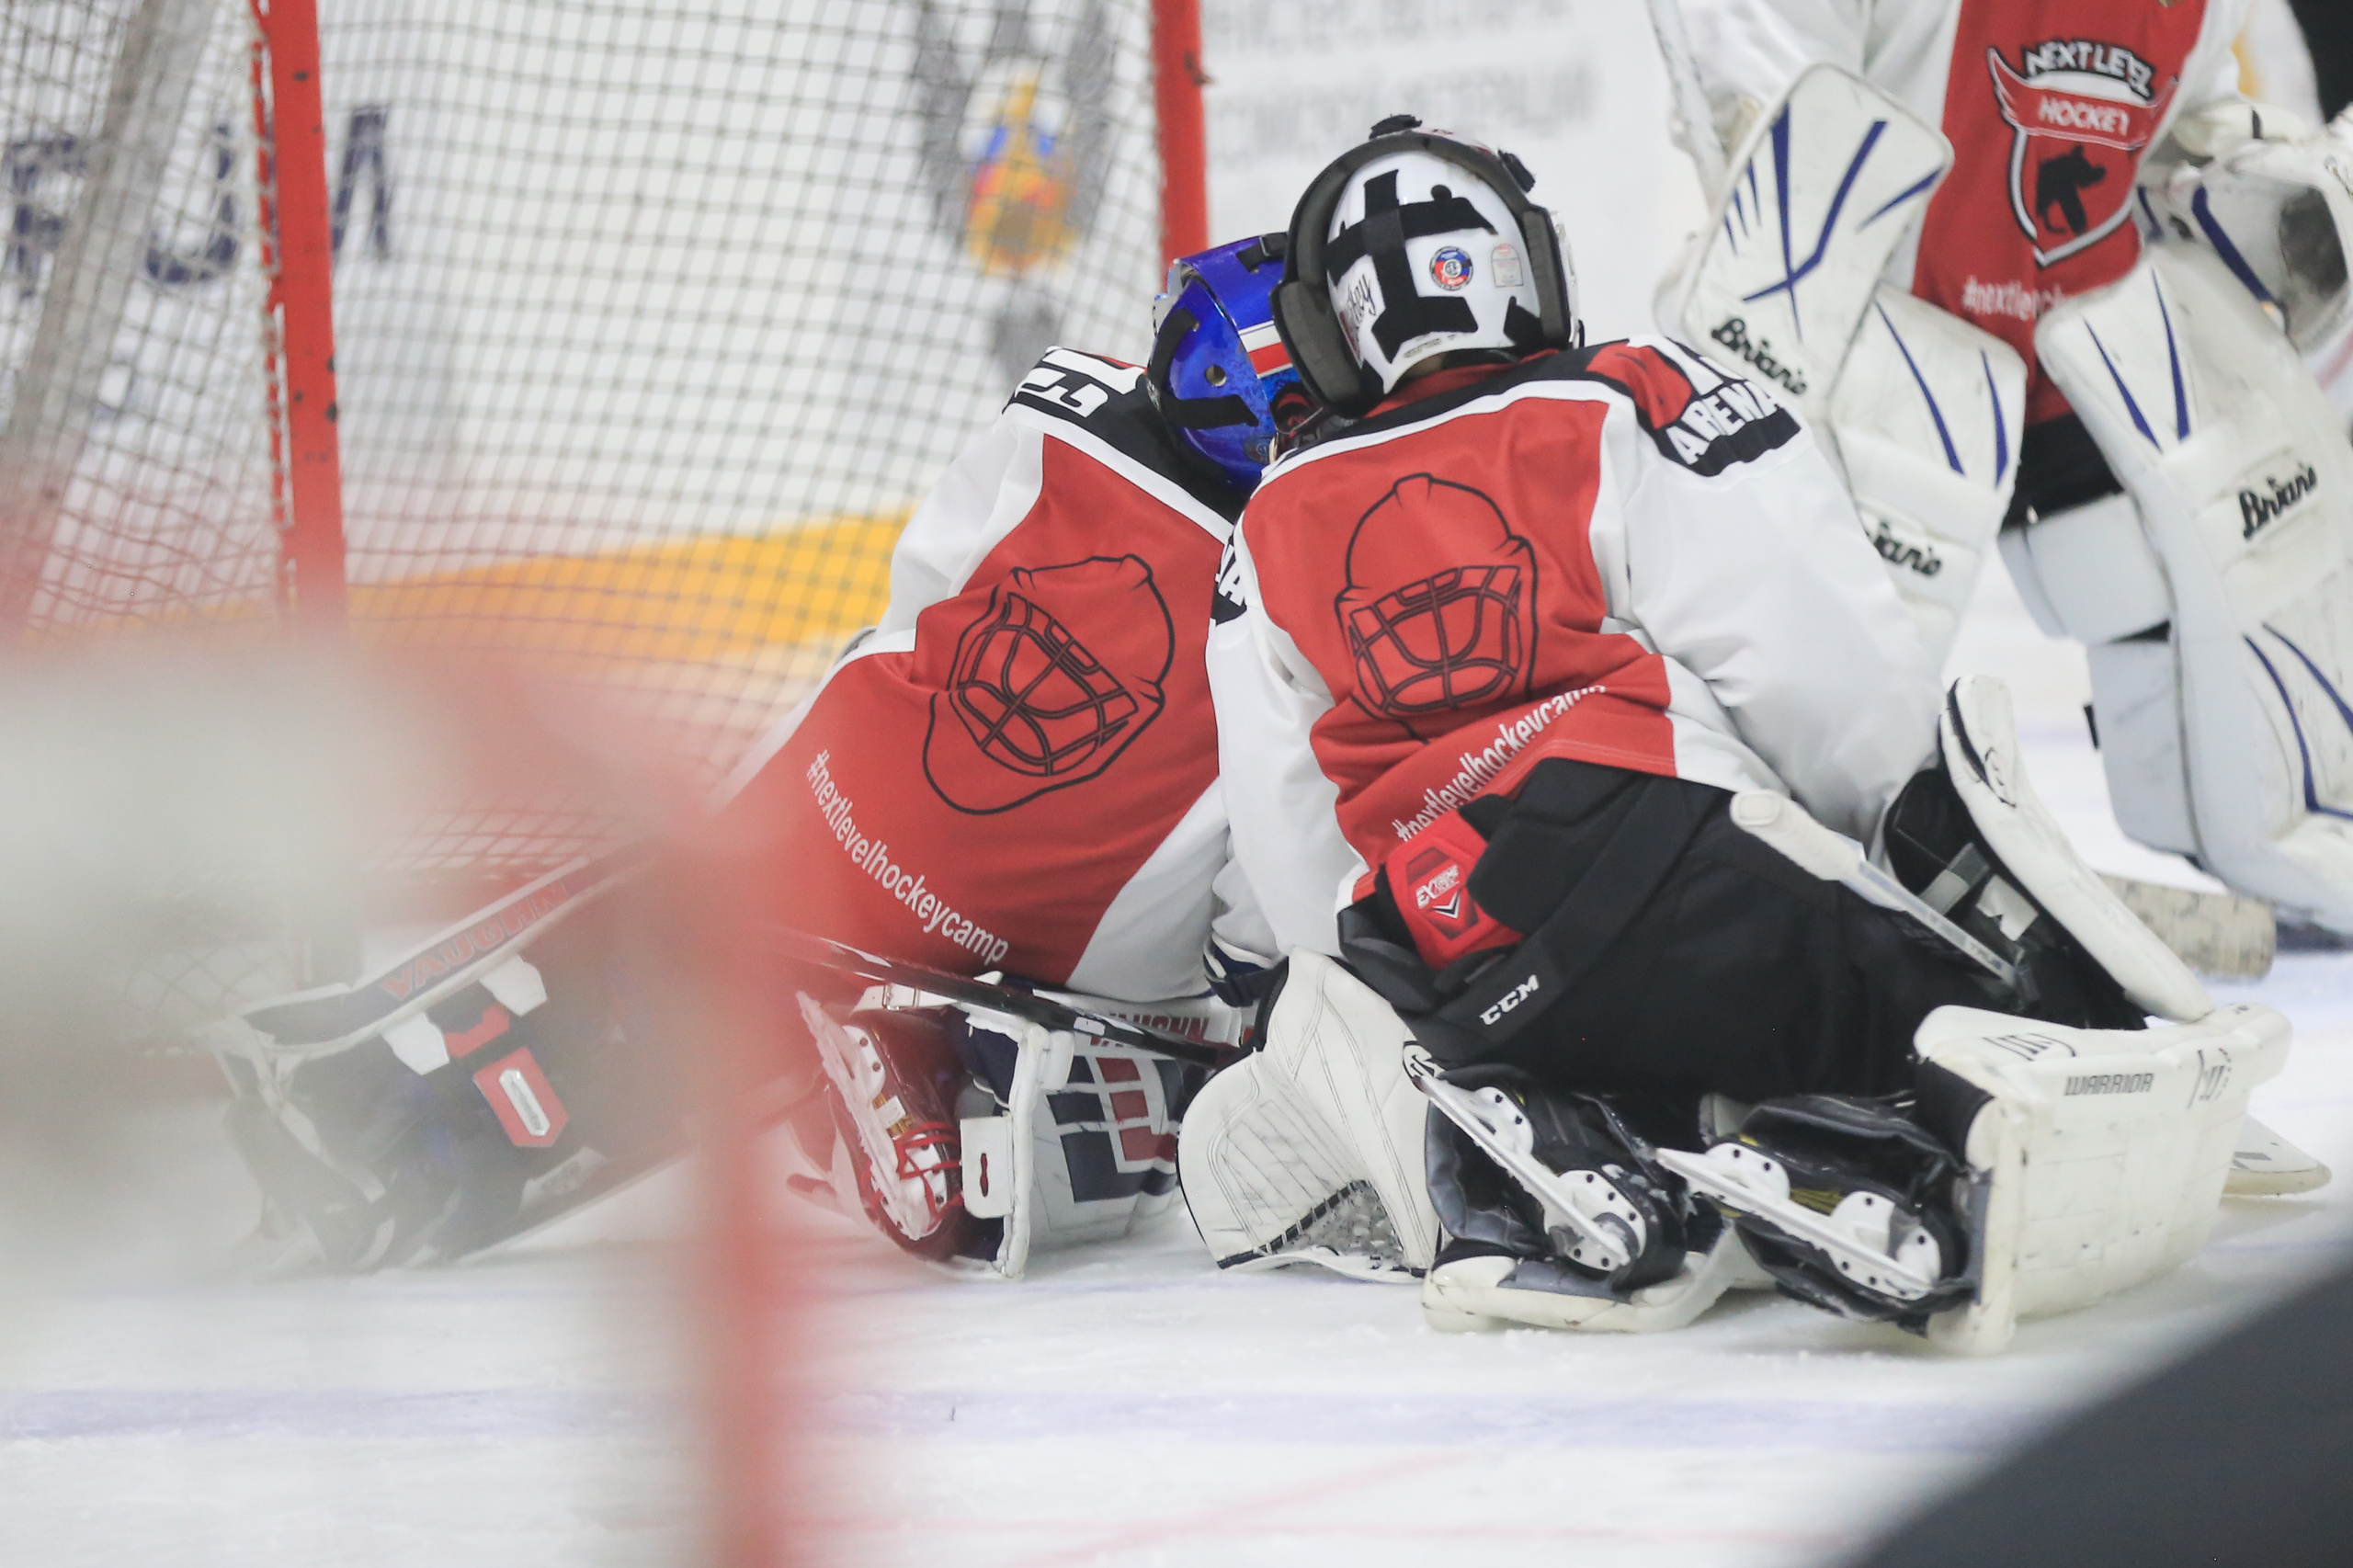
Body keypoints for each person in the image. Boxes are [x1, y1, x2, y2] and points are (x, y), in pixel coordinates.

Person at [1180, 119, 2290, 1352]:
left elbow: (1289, 851)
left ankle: (1593, 1130)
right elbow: (1827, 683)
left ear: (1336, 333)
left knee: (1623, 1023)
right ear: (1524, 268)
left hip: (1453, 970)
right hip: (1674, 871)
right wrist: (1883, 844)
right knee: (1933, 1020)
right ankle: (1874, 1137)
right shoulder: (1631, 388)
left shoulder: (1268, 516)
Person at [205, 237, 1302, 1278]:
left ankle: (430, 1117)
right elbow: (1261, 855)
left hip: (831, 789)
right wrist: (1249, 994)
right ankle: (930, 1090)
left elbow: (919, 588)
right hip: (1011, 950)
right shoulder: (1297, 566)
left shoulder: (1065, 400)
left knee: (680, 975)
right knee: (1200, 1077)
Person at [1666, 0, 2353, 942]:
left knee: (2258, 529)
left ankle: (2288, 839)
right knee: (1830, 704)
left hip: (2089, 332)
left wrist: (2257, 184)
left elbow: (2184, 140)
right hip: (1879, 344)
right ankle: (1783, 897)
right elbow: (1763, 142)